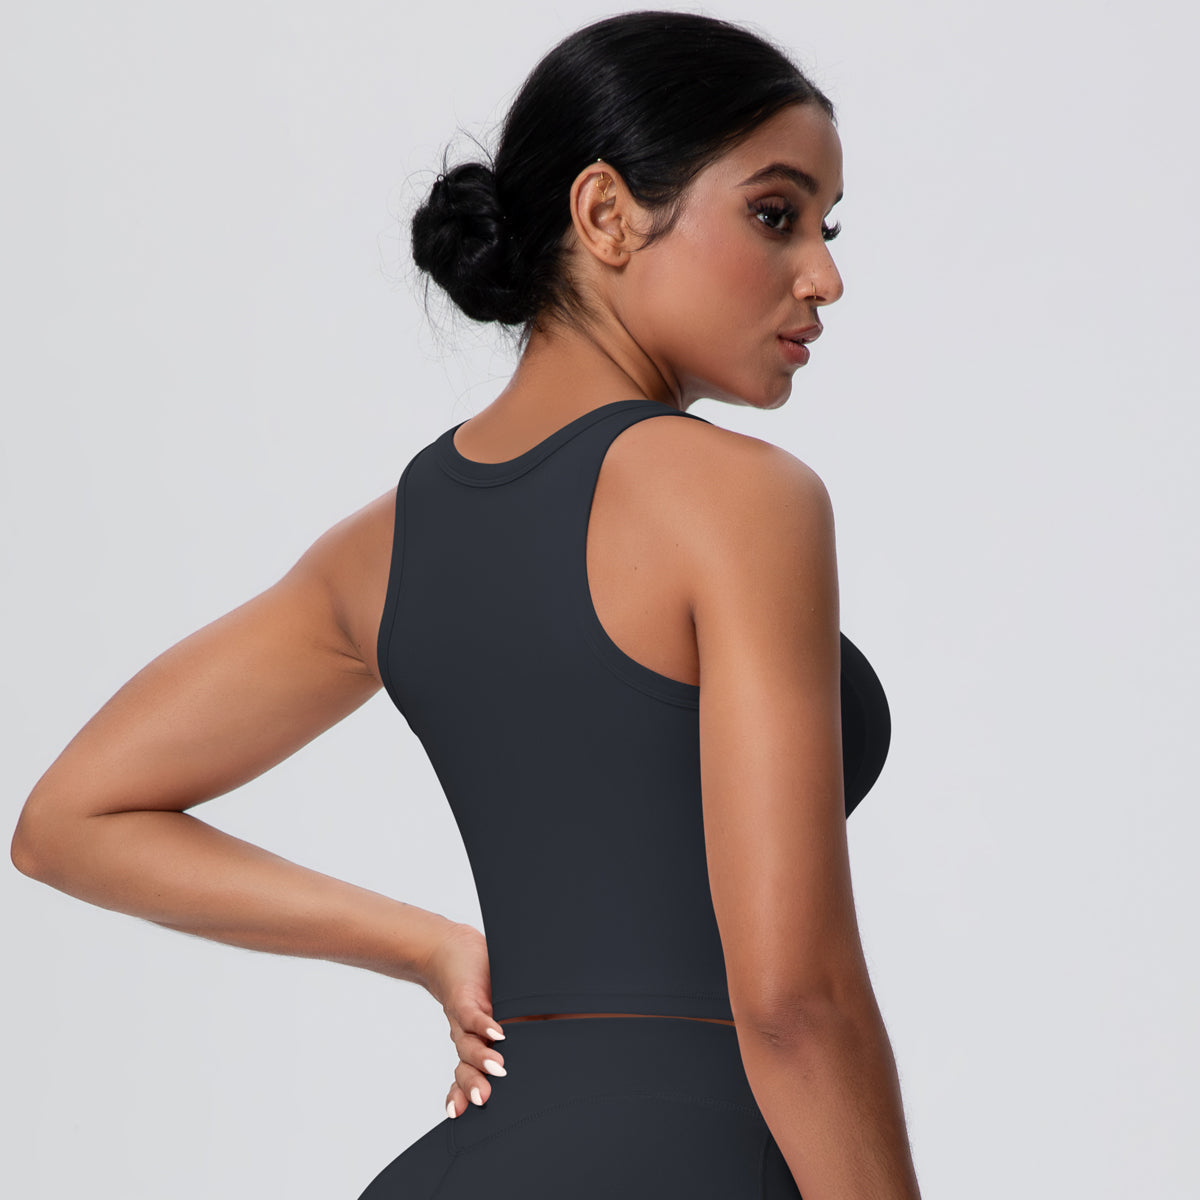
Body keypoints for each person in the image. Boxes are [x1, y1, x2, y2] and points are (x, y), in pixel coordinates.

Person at [10, 10, 922, 1199]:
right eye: (775, 214)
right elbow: (796, 1006)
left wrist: (429, 947)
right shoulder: (744, 501)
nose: (825, 276)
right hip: (693, 1157)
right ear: (605, 214)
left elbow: (68, 821)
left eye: (825, 227)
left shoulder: (386, 546)